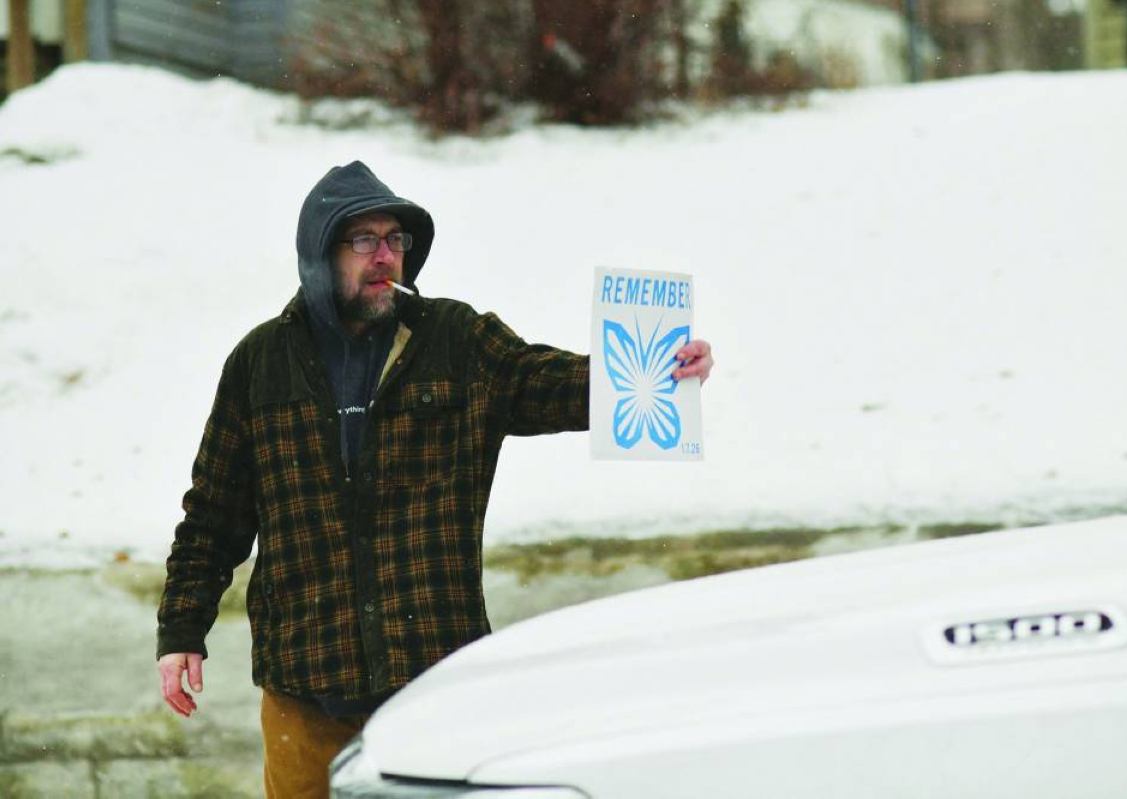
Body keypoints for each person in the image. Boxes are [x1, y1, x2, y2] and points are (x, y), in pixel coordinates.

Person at [155, 161, 714, 797]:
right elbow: (213, 514)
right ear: (319, 254)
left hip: (434, 688)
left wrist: (661, 371)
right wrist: (181, 629)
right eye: (363, 240)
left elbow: (546, 382)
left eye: (395, 240)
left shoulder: (454, 341)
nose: (384, 255)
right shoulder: (260, 363)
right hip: (304, 695)